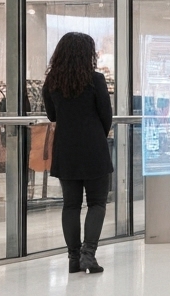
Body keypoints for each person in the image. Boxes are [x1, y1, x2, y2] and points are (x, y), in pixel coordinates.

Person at [42, 32, 113, 274]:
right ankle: (88, 254)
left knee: (71, 205)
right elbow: (106, 115)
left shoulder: (52, 81)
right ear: (88, 54)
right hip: (94, 146)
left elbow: (52, 116)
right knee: (97, 203)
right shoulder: (96, 79)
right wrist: (97, 135)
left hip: (65, 148)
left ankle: (73, 258)